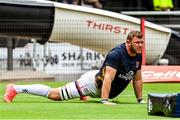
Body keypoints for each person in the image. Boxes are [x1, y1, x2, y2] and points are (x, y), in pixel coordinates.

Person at [4, 31, 145, 105]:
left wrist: (140, 100)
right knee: (55, 95)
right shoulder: (117, 54)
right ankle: (15, 88)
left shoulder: (137, 55)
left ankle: (82, 94)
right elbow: (108, 78)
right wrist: (104, 101)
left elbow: (137, 79)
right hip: (91, 85)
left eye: (141, 42)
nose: (140, 45)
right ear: (128, 42)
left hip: (96, 80)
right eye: (137, 42)